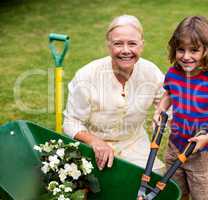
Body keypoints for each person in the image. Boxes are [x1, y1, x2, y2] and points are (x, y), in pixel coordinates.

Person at [63, 15, 165, 172]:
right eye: (118, 44)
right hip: (94, 144)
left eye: (132, 43)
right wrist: (94, 142)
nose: (126, 50)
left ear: (141, 46)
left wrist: (166, 115)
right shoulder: (87, 75)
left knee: (150, 182)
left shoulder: (150, 72)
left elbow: (168, 103)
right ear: (109, 46)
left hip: (134, 142)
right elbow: (71, 122)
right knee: (101, 188)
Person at [153, 16, 208, 200]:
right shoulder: (173, 73)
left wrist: (207, 137)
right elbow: (169, 94)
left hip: (201, 152)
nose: (186, 56)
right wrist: (160, 109)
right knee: (176, 191)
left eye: (194, 50)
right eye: (180, 49)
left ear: (207, 50)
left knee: (201, 196)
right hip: (175, 145)